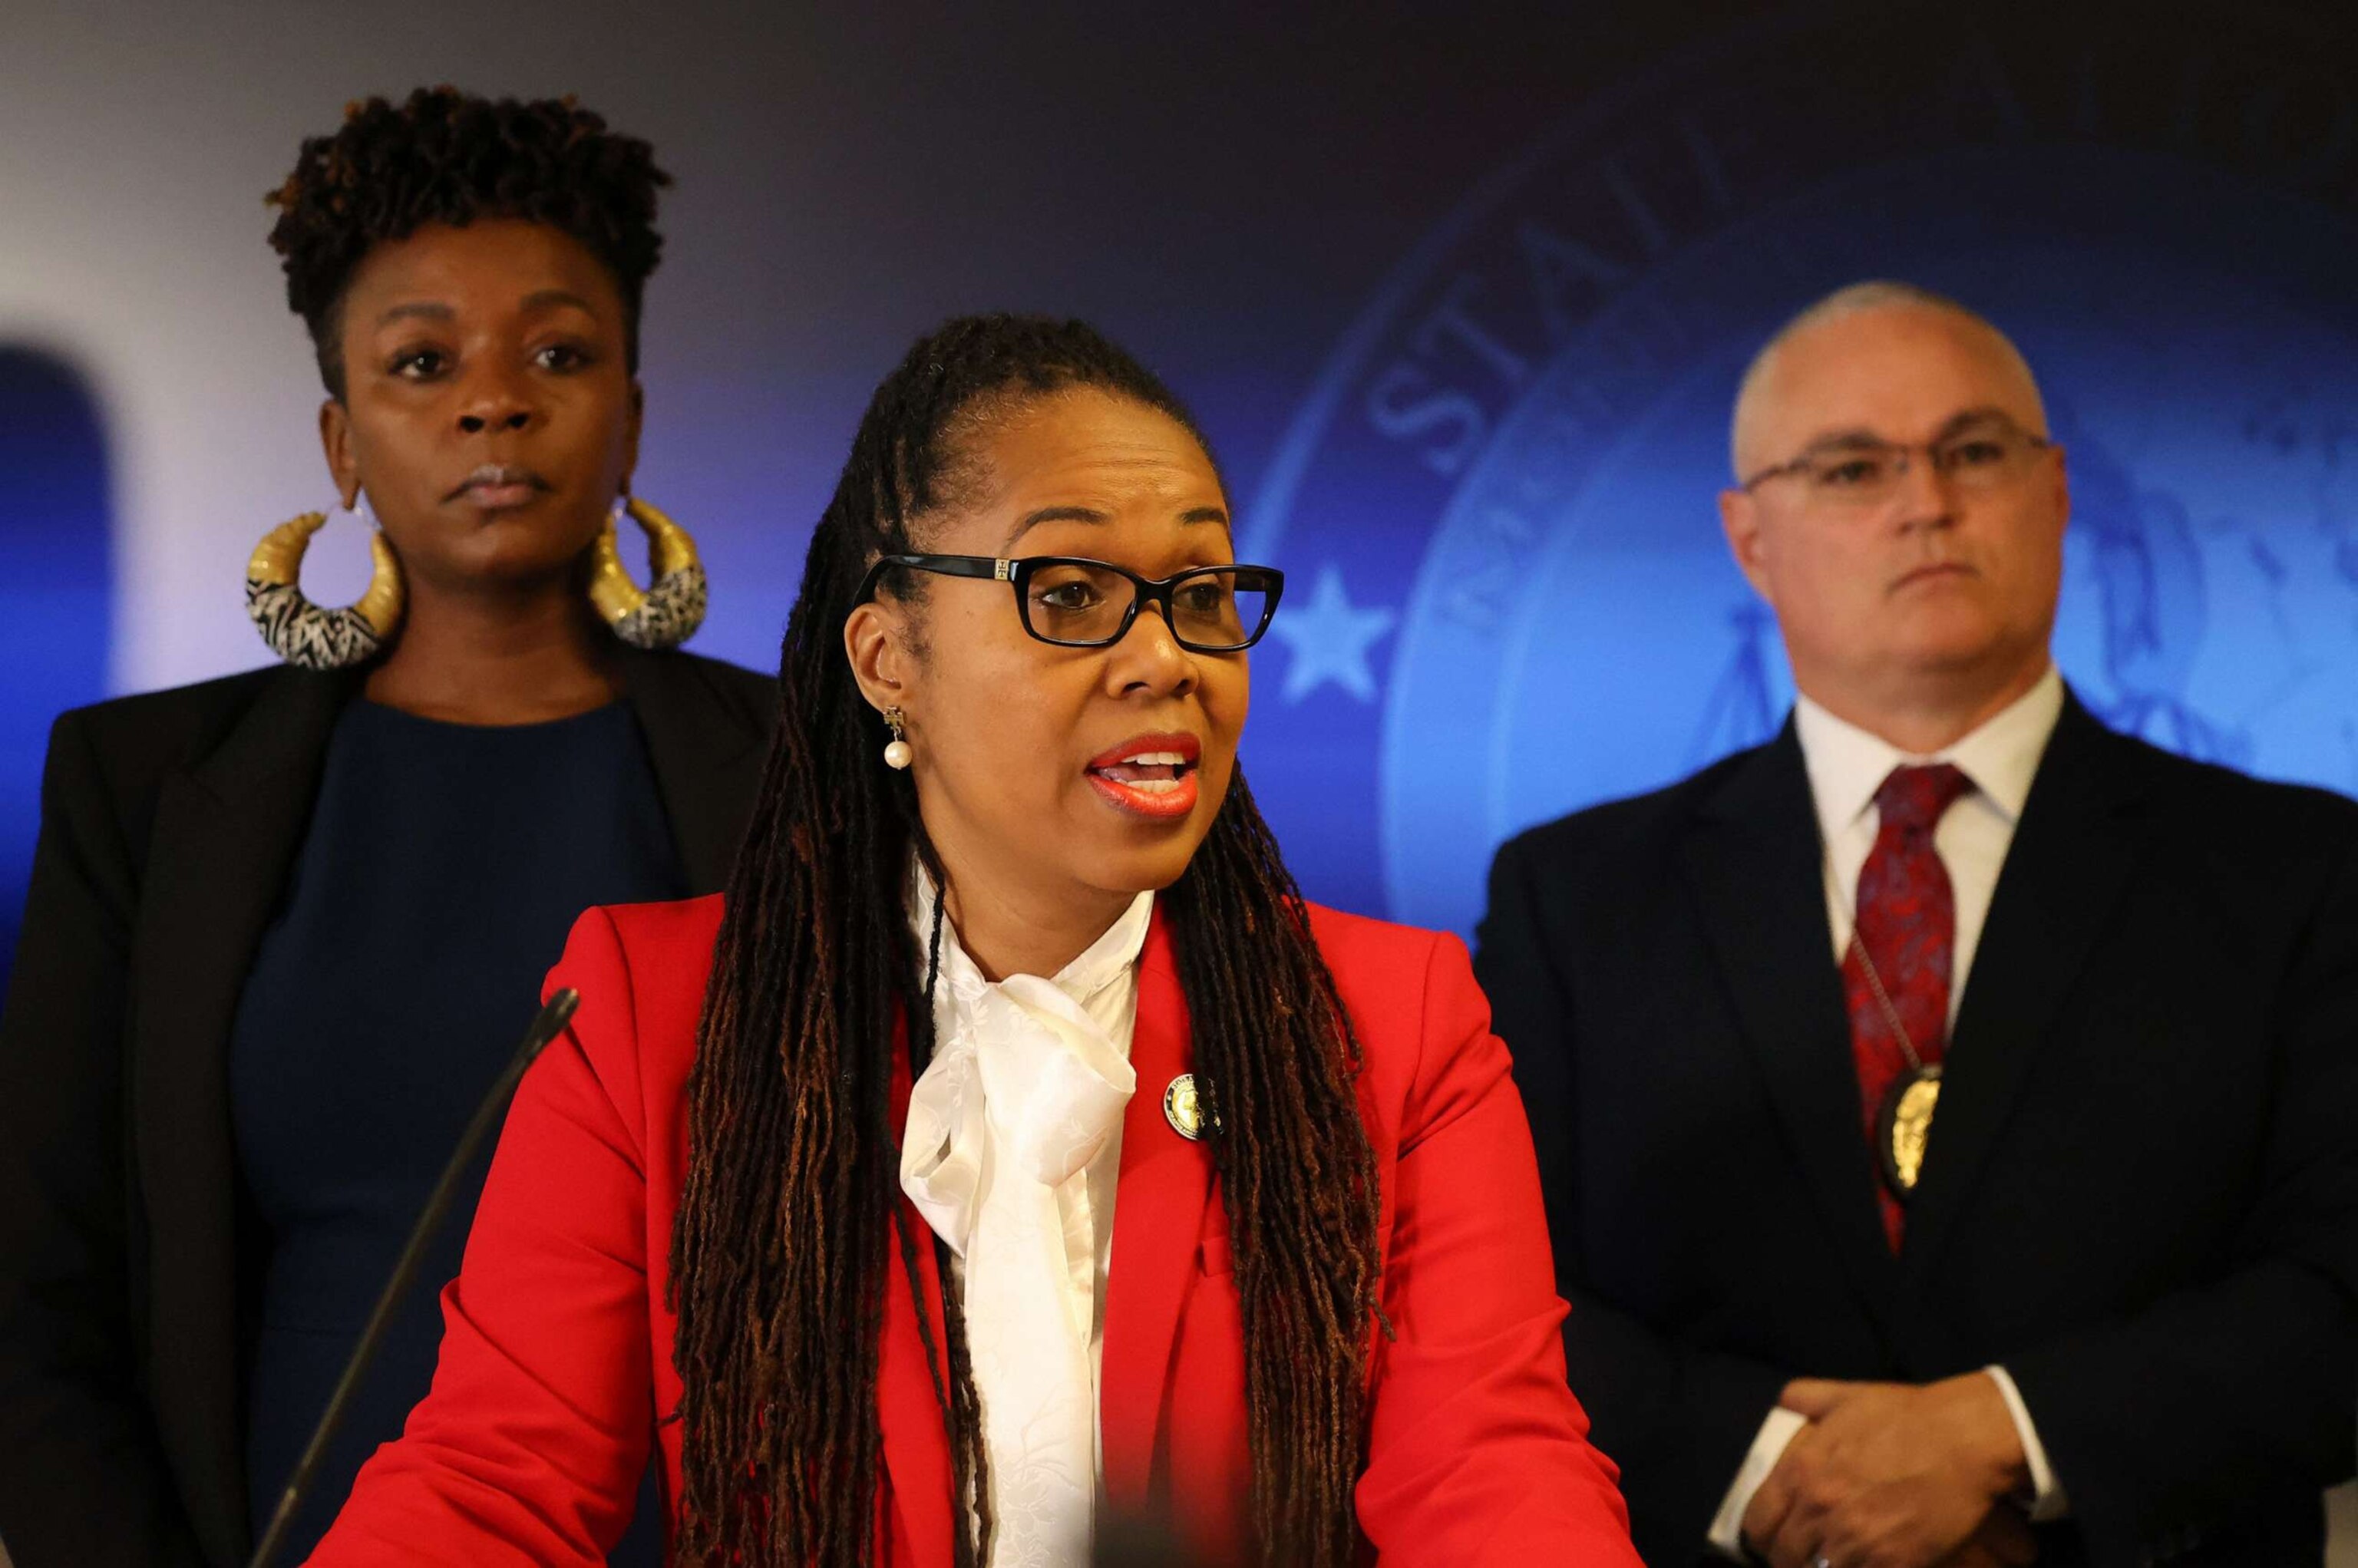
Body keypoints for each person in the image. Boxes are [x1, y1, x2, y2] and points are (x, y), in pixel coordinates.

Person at [302, 314, 1640, 1567]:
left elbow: (1493, 1474)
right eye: (1067, 591)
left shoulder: (1393, 1022)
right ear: (889, 660)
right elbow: (495, 1486)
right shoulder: (652, 1015)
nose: (1165, 656)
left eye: (1201, 589)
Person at [0, 89, 774, 1567]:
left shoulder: (810, 774)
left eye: (559, 353)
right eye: (425, 363)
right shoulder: (145, 789)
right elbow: (39, 1302)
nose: (496, 400)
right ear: (342, 441)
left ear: (631, 421)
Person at [1475, 281, 2358, 1567]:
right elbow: (1492, 1298)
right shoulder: (1574, 898)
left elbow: (2343, 1288)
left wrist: (2010, 1436)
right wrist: (1771, 1473)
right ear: (1748, 537)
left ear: (2057, 493)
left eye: (1975, 451)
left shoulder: (2306, 871)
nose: (1926, 502)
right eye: (1850, 468)